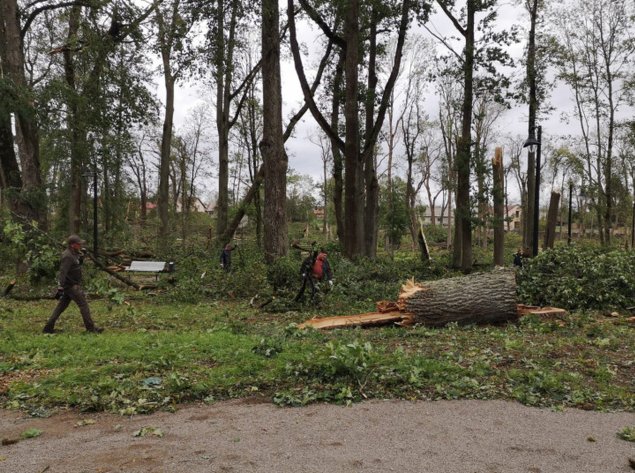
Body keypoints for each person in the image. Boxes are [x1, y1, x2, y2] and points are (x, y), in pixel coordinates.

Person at [43, 235, 103, 334]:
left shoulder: (73, 254)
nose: (80, 245)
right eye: (79, 244)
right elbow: (63, 271)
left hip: (70, 285)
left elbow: (76, 265)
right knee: (83, 305)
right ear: (72, 245)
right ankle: (90, 329)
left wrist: (82, 256)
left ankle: (48, 328)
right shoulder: (67, 256)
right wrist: (60, 287)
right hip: (71, 286)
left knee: (60, 307)